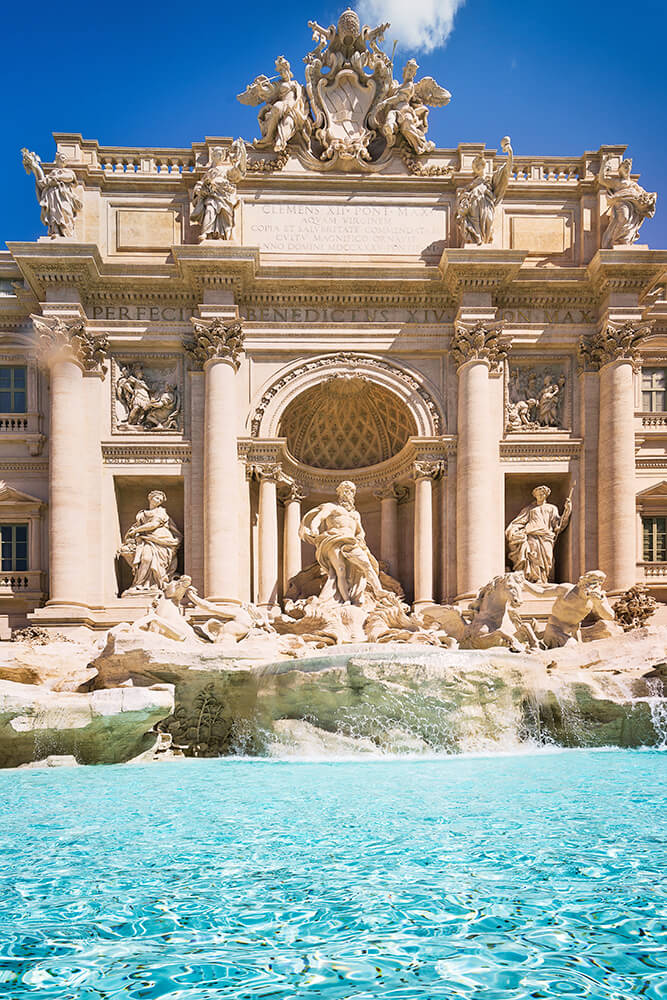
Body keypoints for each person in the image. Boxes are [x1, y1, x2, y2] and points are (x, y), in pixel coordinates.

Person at [299, 480, 385, 605]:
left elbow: (360, 531)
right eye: (345, 490)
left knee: (366, 565)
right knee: (340, 570)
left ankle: (378, 590)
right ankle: (346, 600)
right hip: (333, 540)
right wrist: (314, 529)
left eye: (351, 491)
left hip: (351, 542)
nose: (348, 493)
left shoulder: (355, 514)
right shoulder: (332, 507)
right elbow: (318, 518)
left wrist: (361, 537)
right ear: (339, 492)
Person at [505, 485, 572, 584]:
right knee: (533, 556)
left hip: (546, 536)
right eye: (538, 494)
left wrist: (567, 511)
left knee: (547, 559)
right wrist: (513, 531)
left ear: (546, 495)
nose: (540, 496)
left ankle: (544, 579)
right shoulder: (529, 509)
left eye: (542, 494)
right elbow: (519, 522)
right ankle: (534, 579)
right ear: (535, 496)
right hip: (531, 535)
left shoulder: (552, 508)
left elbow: (558, 524)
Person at [119, 490, 182, 591]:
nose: (158, 501)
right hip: (146, 540)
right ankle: (140, 584)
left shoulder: (161, 512)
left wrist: (136, 530)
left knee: (157, 562)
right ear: (150, 497)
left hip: (161, 540)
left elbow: (154, 524)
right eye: (157, 498)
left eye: (160, 500)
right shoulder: (142, 514)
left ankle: (156, 584)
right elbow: (137, 526)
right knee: (146, 559)